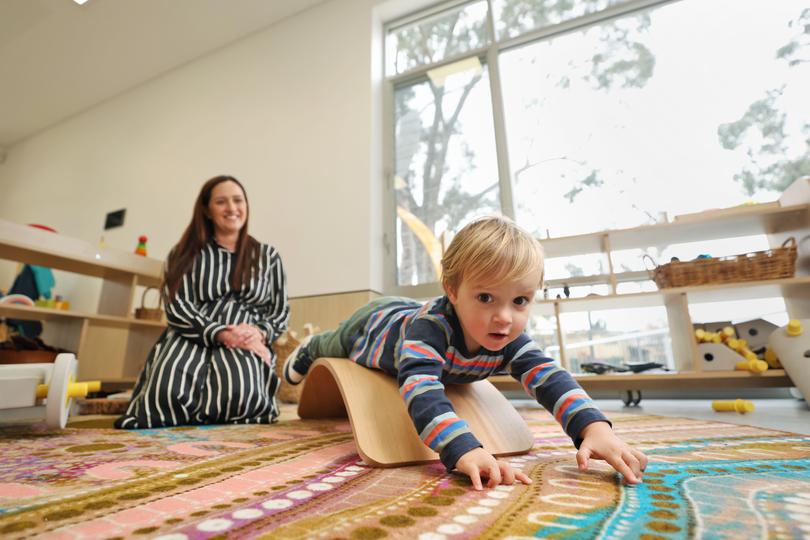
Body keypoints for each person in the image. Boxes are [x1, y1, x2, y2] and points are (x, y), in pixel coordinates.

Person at [284, 216, 647, 490]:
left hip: (418, 317)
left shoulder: (508, 336)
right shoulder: (430, 330)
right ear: (453, 291)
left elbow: (549, 377)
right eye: (486, 298)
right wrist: (462, 448)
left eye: (520, 300)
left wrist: (594, 428)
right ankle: (307, 348)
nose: (504, 317)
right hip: (375, 324)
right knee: (333, 343)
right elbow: (420, 388)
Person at [116, 175, 289, 429]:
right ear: (207, 210)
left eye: (238, 200)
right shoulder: (185, 253)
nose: (232, 208)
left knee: (241, 393)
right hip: (192, 331)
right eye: (221, 202)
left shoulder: (268, 256)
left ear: (247, 206)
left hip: (247, 336)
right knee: (166, 392)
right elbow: (177, 307)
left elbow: (279, 310)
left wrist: (258, 333)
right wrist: (219, 333)